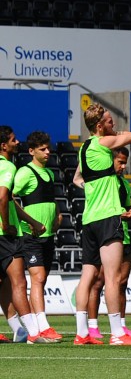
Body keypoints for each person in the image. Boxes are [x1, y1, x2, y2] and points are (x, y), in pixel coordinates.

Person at [71, 105, 131, 345]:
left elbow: (77, 179)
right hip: (107, 217)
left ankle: (82, 333)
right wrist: (117, 133)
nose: (114, 125)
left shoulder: (84, 149)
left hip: (89, 219)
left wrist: (95, 189)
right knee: (112, 277)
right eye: (110, 121)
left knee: (87, 276)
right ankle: (117, 334)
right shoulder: (102, 143)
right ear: (100, 126)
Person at [0, 126, 51, 344]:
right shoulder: (8, 166)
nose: (17, 142)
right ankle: (33, 332)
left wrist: (30, 221)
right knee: (19, 283)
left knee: (2, 284)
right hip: (5, 235)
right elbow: (4, 198)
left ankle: (18, 331)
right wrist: (7, 224)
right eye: (13, 140)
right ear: (4, 146)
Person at [80, 147, 131, 339]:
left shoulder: (123, 184)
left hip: (122, 233)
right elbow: (79, 181)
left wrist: (129, 213)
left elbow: (128, 205)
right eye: (120, 162)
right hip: (105, 228)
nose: (123, 166)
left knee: (121, 282)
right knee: (99, 282)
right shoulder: (101, 179)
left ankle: (120, 324)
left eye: (125, 162)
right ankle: (95, 326)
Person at [13, 131, 63, 341]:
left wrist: (57, 216)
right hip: (30, 234)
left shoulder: (50, 174)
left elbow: (51, 201)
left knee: (40, 281)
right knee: (38, 277)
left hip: (48, 235)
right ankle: (43, 326)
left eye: (48, 148)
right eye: (42, 149)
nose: (47, 152)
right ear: (31, 151)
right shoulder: (25, 172)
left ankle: (37, 327)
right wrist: (30, 222)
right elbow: (9, 199)